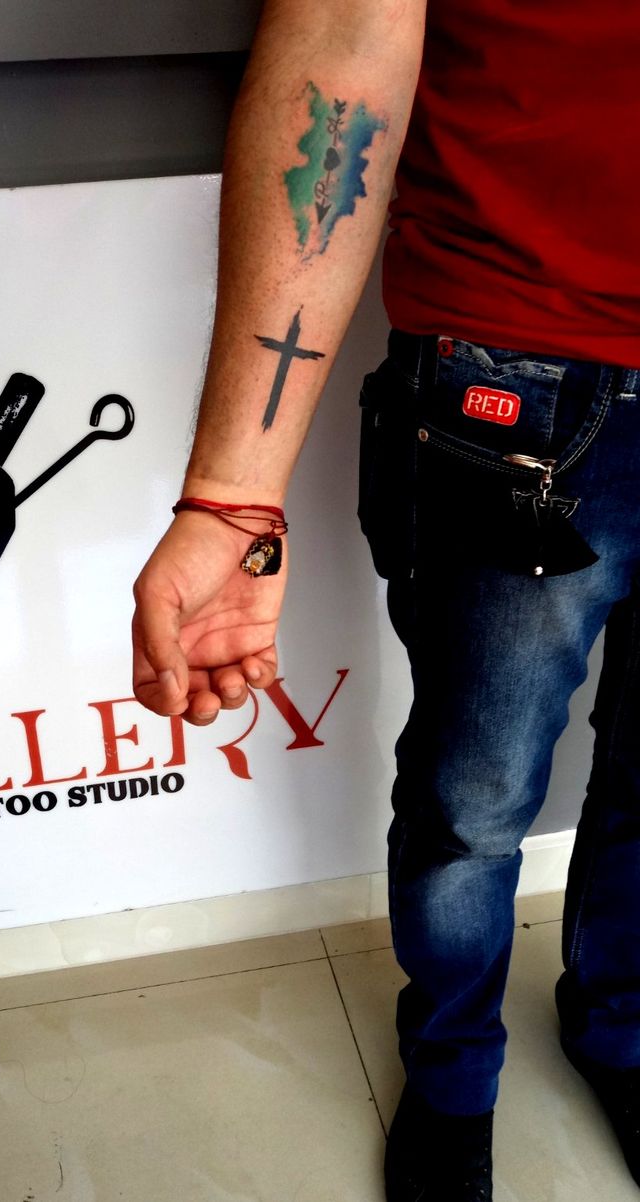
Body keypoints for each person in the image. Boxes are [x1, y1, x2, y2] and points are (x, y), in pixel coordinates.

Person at [131, 1, 640, 1198]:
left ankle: (621, 1024)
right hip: (522, 370)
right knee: (473, 800)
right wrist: (233, 498)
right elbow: (339, 50)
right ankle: (453, 1069)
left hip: (526, 376)